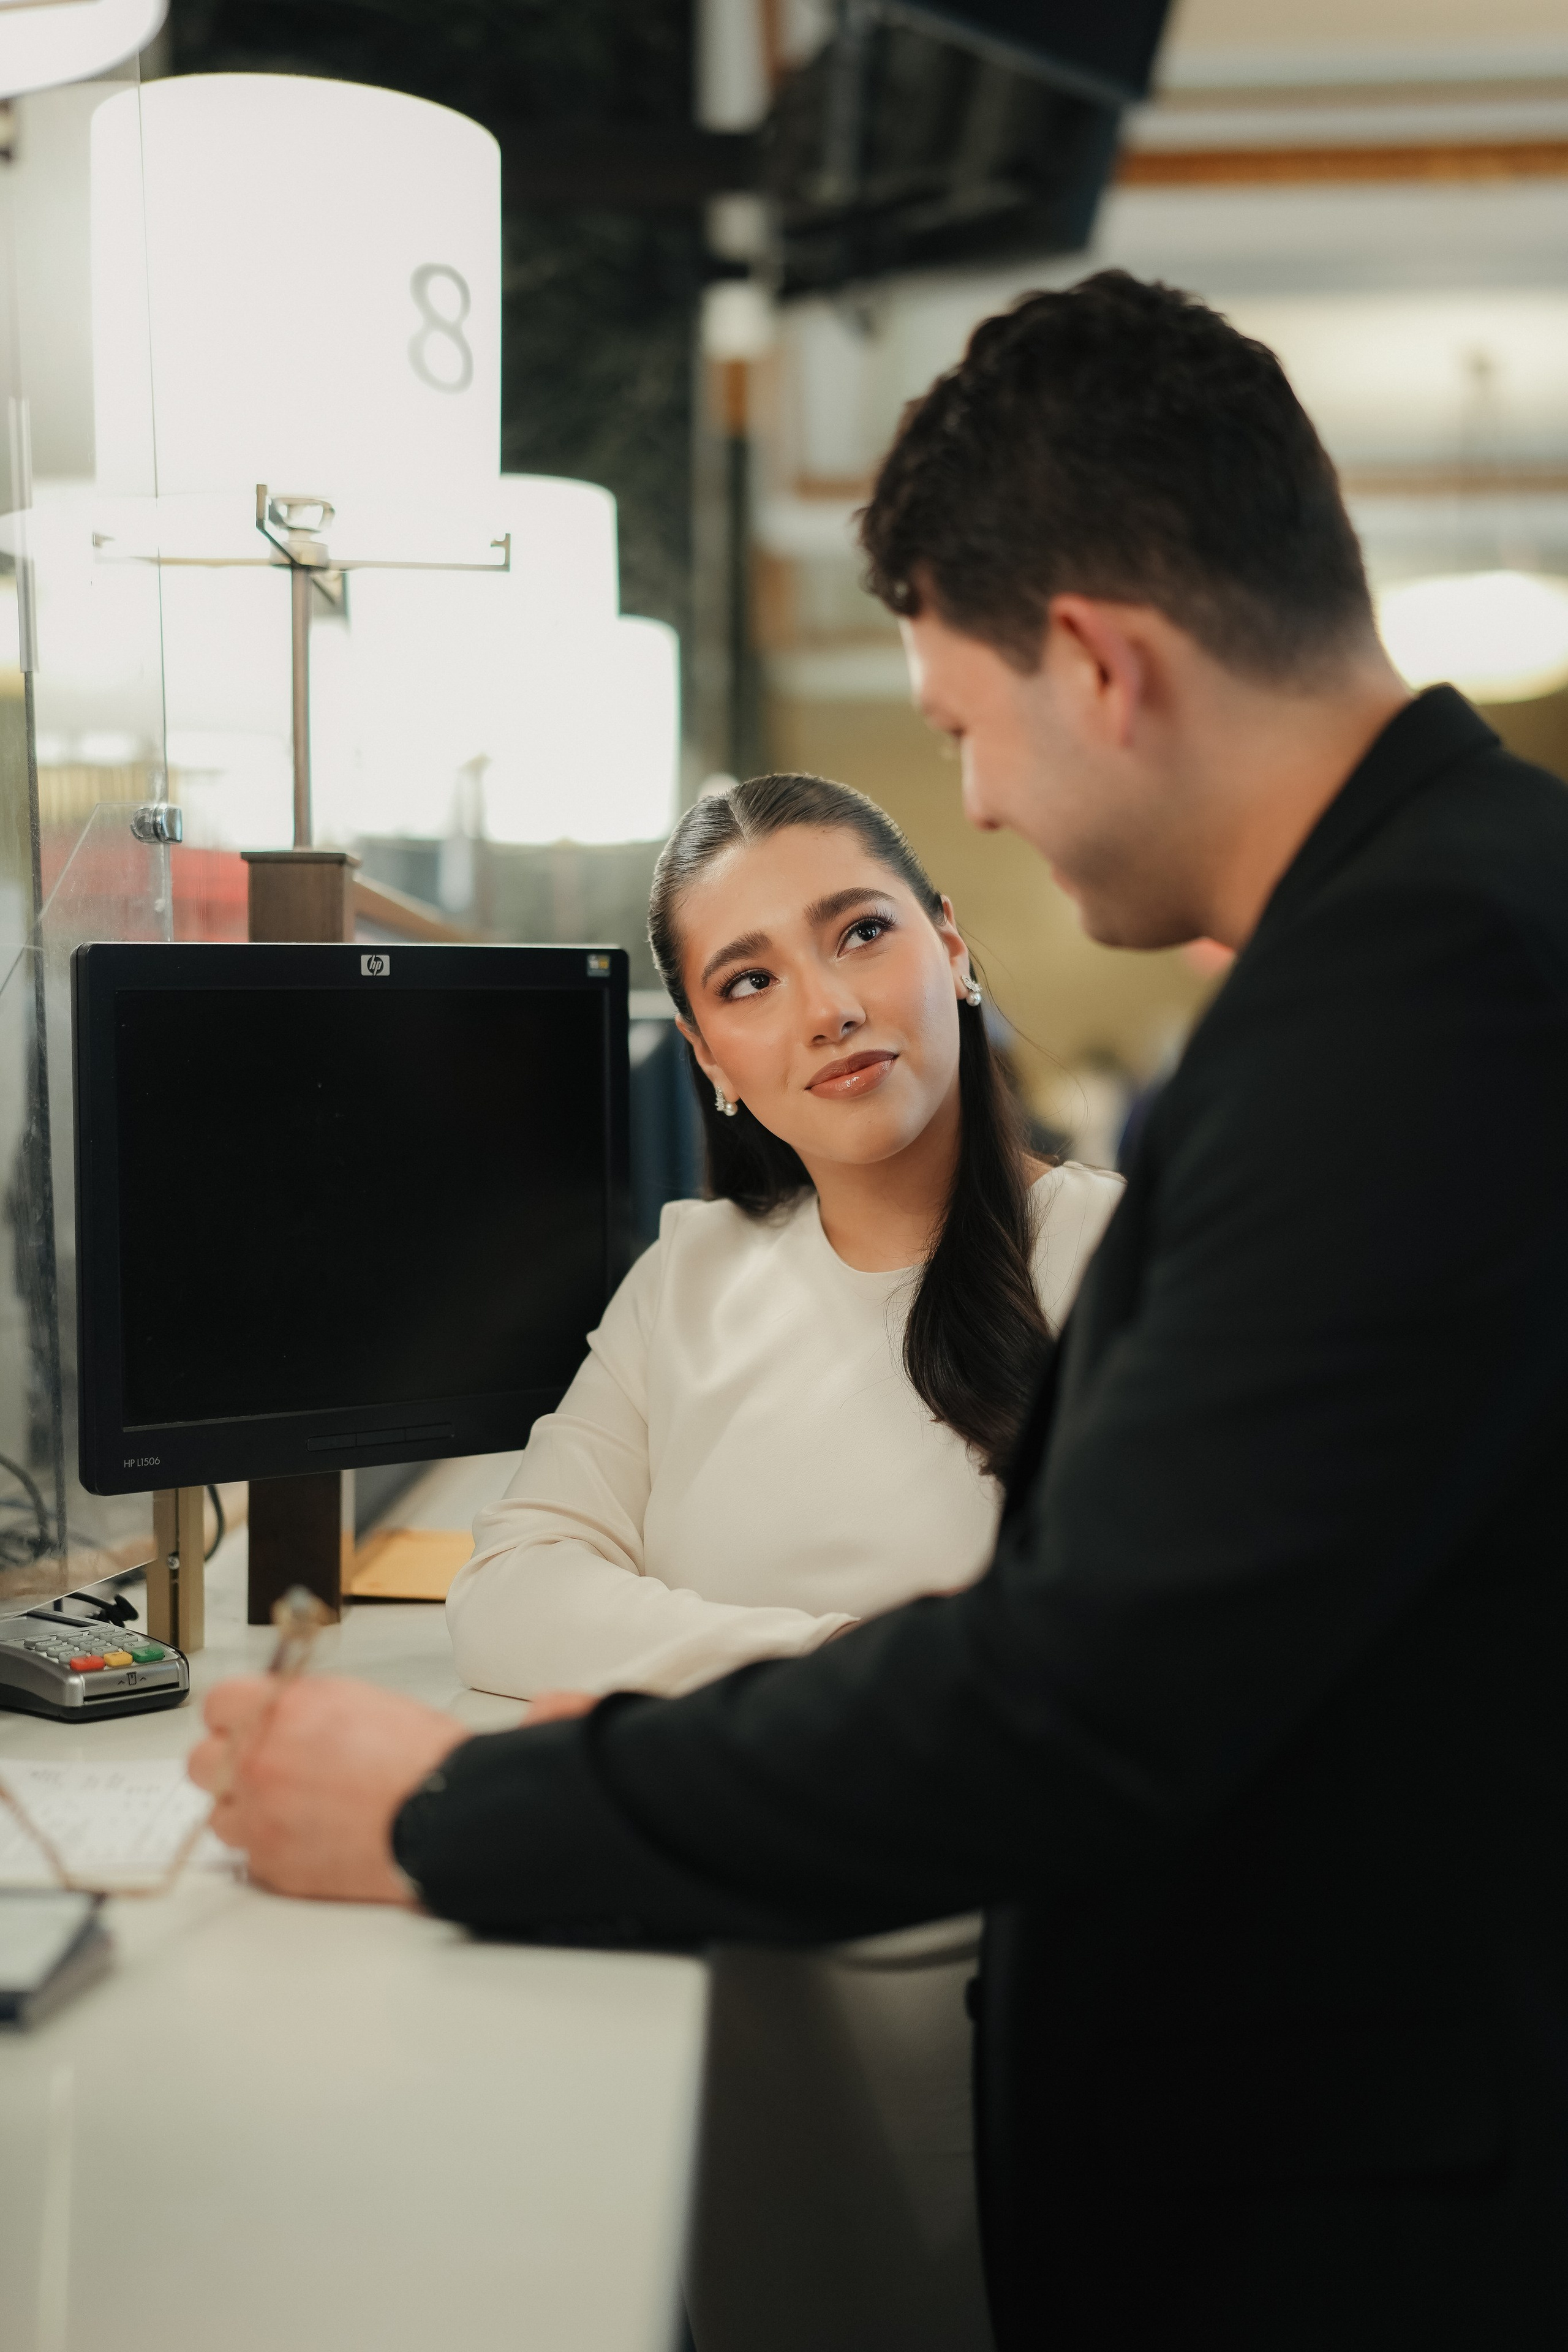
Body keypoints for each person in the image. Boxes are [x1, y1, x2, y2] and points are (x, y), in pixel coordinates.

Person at [192, 271, 1568, 2350]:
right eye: (746, 980)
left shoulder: (1420, 989)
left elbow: (1083, 1699)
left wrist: (447, 1812)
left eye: (953, 729)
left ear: (1093, 664)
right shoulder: (1455, 923)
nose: (985, 800)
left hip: (1368, 2202)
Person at [446, 769, 1118, 2351]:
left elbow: (1092, 1698)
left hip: (1022, 2054)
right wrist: (850, 1673)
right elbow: (513, 1590)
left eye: (861, 935)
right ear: (711, 1063)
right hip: (720, 2018)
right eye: (750, 980)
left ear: (951, 949)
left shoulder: (1119, 1261)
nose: (826, 1008)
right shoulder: (690, 1278)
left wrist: (720, 1684)